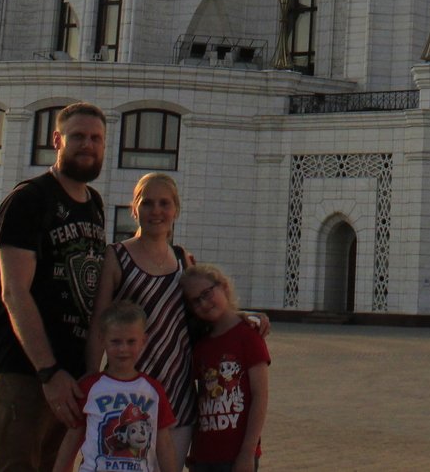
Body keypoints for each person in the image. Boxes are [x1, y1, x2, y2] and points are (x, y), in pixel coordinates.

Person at [0, 103, 110, 472]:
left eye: (96, 138)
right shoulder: (30, 200)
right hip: (26, 371)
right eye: (78, 137)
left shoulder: (95, 204)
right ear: (57, 140)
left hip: (70, 375)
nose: (88, 145)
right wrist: (48, 372)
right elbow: (14, 292)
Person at [86, 173, 197, 464]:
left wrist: (247, 320)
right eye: (147, 203)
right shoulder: (116, 256)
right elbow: (99, 323)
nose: (156, 211)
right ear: (133, 209)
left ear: (176, 209)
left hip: (177, 394)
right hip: (126, 395)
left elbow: (209, 309)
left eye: (164, 203)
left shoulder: (183, 259)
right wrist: (91, 380)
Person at [52, 301, 179, 472]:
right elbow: (72, 438)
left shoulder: (153, 389)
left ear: (143, 341)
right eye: (116, 342)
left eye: (131, 341)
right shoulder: (89, 387)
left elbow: (164, 442)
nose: (123, 349)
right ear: (102, 340)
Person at [183, 263, 269, 472]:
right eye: (196, 300)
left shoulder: (248, 336)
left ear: (223, 286)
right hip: (205, 455)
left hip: (237, 454)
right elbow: (200, 400)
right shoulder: (201, 345)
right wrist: (194, 451)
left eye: (207, 293)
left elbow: (260, 396)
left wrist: (248, 452)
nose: (204, 303)